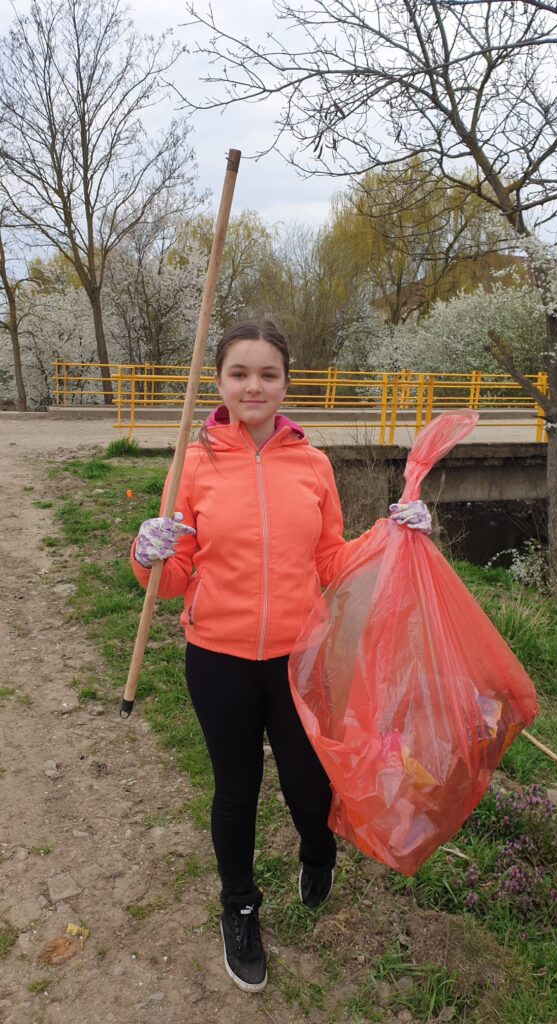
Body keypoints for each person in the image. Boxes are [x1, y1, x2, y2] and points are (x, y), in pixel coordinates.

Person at [130, 320, 431, 993]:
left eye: (268, 374)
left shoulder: (313, 465)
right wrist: (147, 552)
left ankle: (318, 853)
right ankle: (239, 907)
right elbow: (170, 578)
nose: (254, 386)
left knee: (309, 785)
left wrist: (393, 534)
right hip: (218, 658)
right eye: (239, 373)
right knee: (236, 789)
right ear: (218, 382)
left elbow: (330, 562)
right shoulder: (192, 463)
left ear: (286, 384)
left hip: (301, 656)